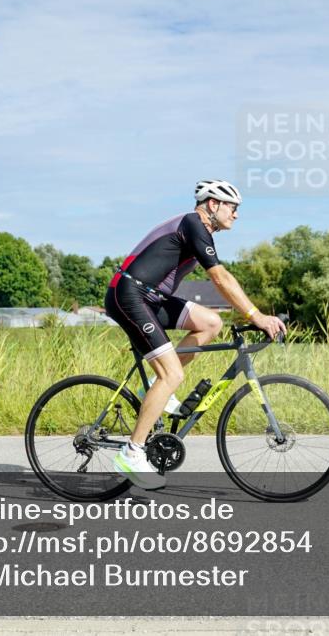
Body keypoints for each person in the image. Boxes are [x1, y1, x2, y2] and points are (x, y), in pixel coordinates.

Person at [105, 180, 287, 489]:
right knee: (172, 376)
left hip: (150, 298)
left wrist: (252, 315)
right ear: (213, 204)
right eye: (233, 207)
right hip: (129, 296)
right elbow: (220, 278)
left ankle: (152, 387)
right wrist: (255, 315)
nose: (237, 215)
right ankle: (131, 452)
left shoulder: (200, 231)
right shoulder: (194, 223)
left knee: (211, 322)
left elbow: (221, 279)